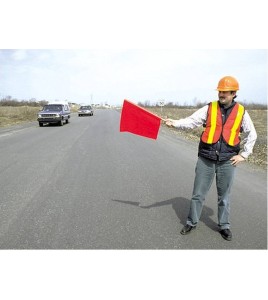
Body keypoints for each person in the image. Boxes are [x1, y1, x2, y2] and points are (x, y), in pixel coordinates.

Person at [165, 76, 257, 241]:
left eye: (225, 92)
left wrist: (244, 154)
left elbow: (252, 134)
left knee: (224, 197)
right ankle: (191, 222)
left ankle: (224, 226)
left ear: (233, 93)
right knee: (198, 194)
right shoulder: (209, 108)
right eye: (220, 91)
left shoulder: (241, 111)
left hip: (227, 161)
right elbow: (191, 121)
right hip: (206, 158)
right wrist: (175, 123)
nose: (221, 94)